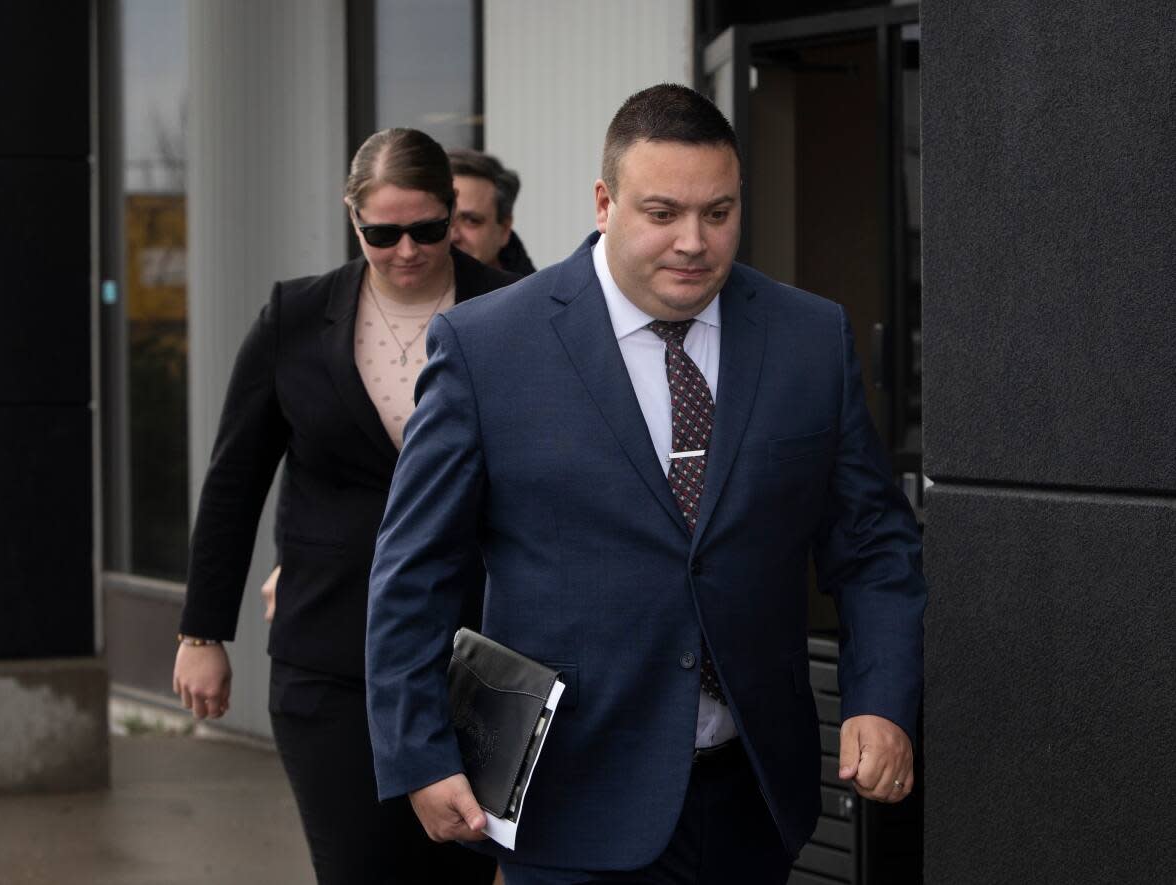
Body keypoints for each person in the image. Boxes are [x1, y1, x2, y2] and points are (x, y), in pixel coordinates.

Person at [365, 85, 926, 884]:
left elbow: (874, 544)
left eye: (719, 212)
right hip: (570, 801)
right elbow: (412, 575)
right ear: (605, 202)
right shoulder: (487, 348)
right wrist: (418, 751)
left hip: (754, 800)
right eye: (662, 213)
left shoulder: (809, 338)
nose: (694, 242)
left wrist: (882, 696)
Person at [172, 128, 510, 885]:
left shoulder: (506, 311)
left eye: (427, 229)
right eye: (381, 233)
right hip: (330, 653)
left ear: (454, 214)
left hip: (476, 654)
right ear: (351, 218)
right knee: (357, 867)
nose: (406, 250)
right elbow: (235, 479)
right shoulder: (296, 316)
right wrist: (202, 629)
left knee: (452, 872)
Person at [448, 147, 537, 276]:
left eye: (471, 220)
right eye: (441, 220)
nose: (452, 236)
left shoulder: (535, 295)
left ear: (504, 229)